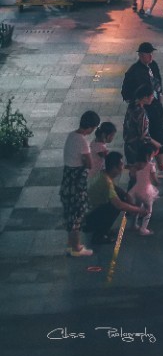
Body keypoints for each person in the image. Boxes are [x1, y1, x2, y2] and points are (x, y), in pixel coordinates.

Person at [121, 42, 163, 178]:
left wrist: (159, 96)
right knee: (146, 138)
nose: (151, 56)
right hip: (145, 108)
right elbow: (125, 93)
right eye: (148, 54)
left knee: (159, 134)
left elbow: (158, 82)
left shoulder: (153, 65)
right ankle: (145, 170)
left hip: (155, 107)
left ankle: (161, 168)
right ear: (141, 55)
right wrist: (139, 101)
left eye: (152, 54)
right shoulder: (134, 72)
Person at [60, 110, 101, 257]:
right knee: (77, 214)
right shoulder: (83, 141)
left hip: (67, 179)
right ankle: (76, 248)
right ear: (90, 127)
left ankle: (71, 244)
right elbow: (89, 163)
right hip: (77, 181)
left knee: (70, 212)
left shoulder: (71, 135)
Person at [83, 151, 145, 247]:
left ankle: (103, 229)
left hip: (89, 215)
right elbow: (119, 204)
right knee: (114, 207)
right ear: (114, 168)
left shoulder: (104, 173)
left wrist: (126, 195)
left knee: (120, 197)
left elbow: (116, 189)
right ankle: (99, 236)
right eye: (121, 165)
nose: (122, 167)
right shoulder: (106, 182)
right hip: (87, 222)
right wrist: (138, 209)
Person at [123, 83, 162, 166]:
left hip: (128, 147)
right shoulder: (141, 113)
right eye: (152, 96)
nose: (153, 98)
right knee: (140, 171)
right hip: (137, 149)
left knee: (133, 170)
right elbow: (144, 135)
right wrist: (156, 144)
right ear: (145, 98)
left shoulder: (132, 106)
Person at [128, 143, 160, 236]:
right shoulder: (150, 166)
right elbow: (154, 181)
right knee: (148, 210)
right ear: (148, 156)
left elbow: (132, 176)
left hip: (137, 190)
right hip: (147, 191)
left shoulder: (135, 165)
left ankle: (133, 225)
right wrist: (158, 183)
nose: (153, 157)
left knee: (137, 208)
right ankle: (143, 229)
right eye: (152, 155)